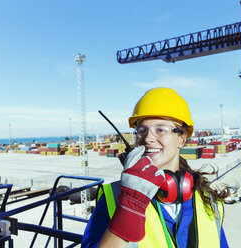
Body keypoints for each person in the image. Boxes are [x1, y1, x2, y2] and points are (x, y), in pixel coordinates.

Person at [82, 87, 233, 248]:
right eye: (141, 130)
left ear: (182, 139)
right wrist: (128, 206)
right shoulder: (114, 197)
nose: (148, 138)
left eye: (160, 130)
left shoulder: (210, 203)